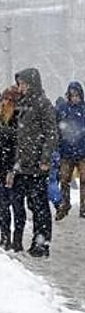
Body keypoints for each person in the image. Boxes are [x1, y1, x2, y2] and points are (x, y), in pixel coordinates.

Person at [12, 68, 58, 257]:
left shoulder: (43, 104)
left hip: (38, 164)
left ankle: (42, 242)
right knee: (26, 204)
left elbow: (51, 133)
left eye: (23, 83)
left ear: (31, 83)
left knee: (39, 205)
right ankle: (32, 240)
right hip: (23, 164)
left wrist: (45, 158)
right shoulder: (22, 104)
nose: (20, 87)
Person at [0, 86, 25, 251]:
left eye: (10, 100)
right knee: (2, 205)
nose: (5, 103)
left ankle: (17, 240)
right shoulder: (1, 117)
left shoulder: (21, 116)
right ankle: (5, 237)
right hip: (2, 165)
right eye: (4, 99)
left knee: (17, 205)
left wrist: (0, 131)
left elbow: (18, 137)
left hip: (16, 166)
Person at [54, 81, 85, 220]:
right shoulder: (62, 109)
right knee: (64, 180)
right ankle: (65, 204)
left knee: (84, 181)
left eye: (77, 95)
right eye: (72, 95)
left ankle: (84, 207)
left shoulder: (84, 110)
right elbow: (56, 128)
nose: (74, 97)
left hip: (83, 152)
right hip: (66, 152)